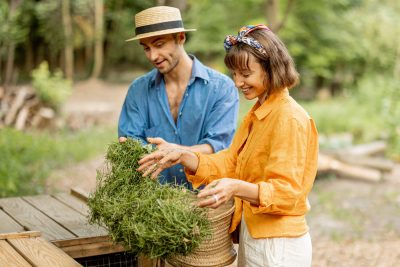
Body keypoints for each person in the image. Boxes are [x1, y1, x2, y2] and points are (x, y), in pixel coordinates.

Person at [138, 24, 318, 267]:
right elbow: (230, 162)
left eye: (245, 74)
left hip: (279, 244)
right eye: (234, 74)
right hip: (253, 234)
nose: (237, 82)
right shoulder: (257, 114)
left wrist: (235, 187)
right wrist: (182, 154)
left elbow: (287, 193)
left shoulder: (289, 117)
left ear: (271, 68)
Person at [118, 6, 239, 189]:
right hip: (153, 203)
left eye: (159, 45)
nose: (153, 56)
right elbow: (131, 144)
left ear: (181, 37)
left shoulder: (222, 88)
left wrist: (177, 153)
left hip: (207, 200)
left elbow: (218, 146)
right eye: (146, 48)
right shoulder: (138, 90)